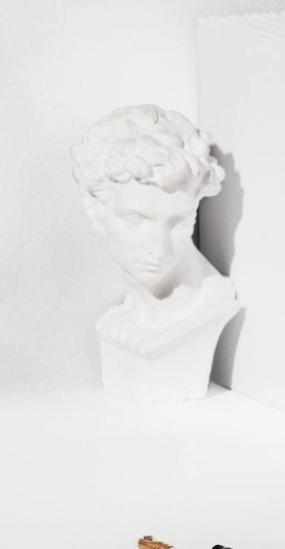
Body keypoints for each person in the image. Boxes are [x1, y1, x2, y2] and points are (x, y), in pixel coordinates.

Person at [72, 104, 239, 399]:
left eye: (178, 222)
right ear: (95, 210)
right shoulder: (124, 319)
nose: (159, 248)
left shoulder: (207, 307)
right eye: (135, 220)